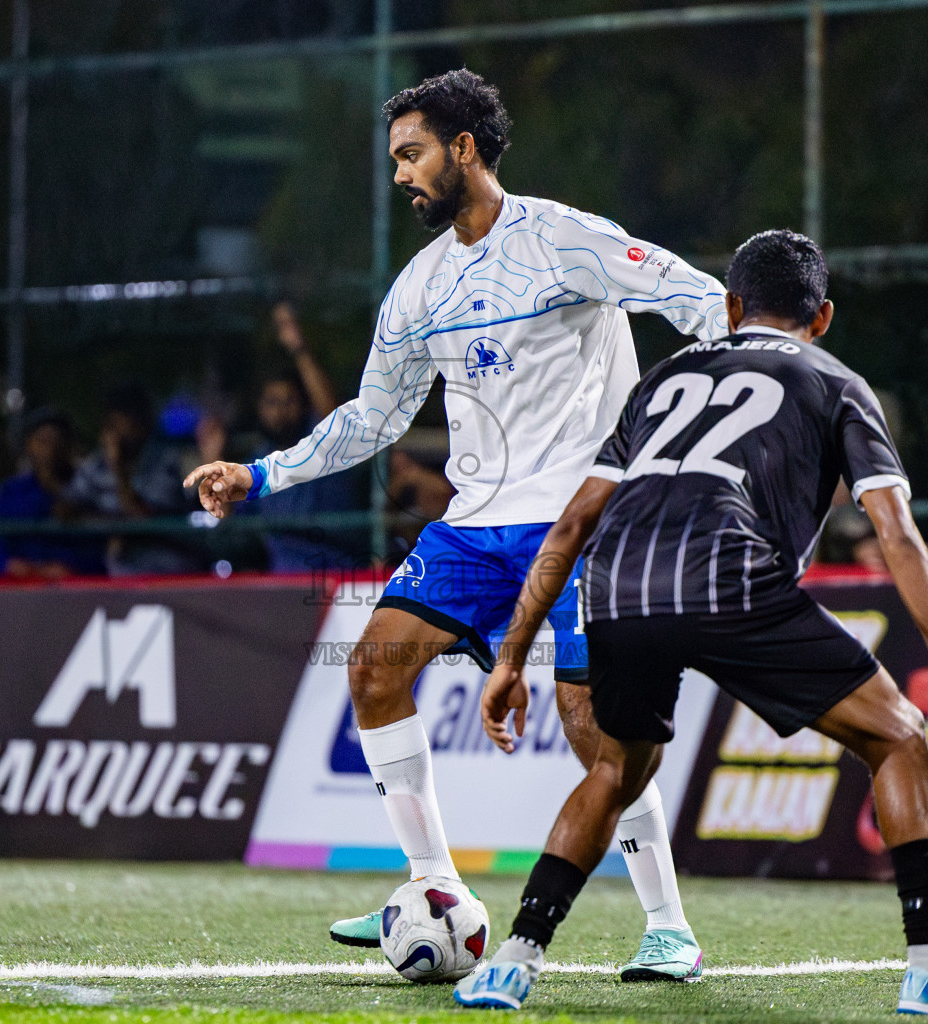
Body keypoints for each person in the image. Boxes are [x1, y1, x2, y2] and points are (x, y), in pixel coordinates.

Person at [189, 69, 730, 979]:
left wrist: (724, 412)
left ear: (464, 148)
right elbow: (373, 416)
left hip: (582, 518)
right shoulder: (419, 288)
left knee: (594, 725)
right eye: (397, 158)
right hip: (475, 529)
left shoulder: (565, 239)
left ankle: (668, 927)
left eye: (412, 155)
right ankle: (435, 885)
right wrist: (260, 472)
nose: (401, 175)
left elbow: (700, 301)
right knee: (373, 667)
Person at [454, 230, 928, 1014]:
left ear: (729, 308)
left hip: (618, 584)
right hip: (726, 575)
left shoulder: (663, 380)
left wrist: (512, 658)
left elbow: (570, 528)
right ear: (821, 317)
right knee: (897, 736)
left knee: (616, 770)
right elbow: (895, 534)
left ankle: (513, 962)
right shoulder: (837, 381)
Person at [238, 302, 363, 572]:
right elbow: (227, 525)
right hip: (281, 588)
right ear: (259, 407)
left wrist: (299, 348)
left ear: (305, 405)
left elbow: (335, 417)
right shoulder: (256, 463)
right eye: (271, 402)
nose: (280, 411)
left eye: (289, 401)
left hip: (337, 579)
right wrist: (211, 459)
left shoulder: (323, 447)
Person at [65, 384, 197, 576]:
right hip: (112, 567)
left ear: (143, 423)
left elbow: (139, 516)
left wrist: (118, 470)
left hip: (164, 565)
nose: (117, 431)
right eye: (112, 422)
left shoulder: (167, 462)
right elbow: (65, 510)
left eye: (125, 420)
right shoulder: (96, 465)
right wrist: (111, 528)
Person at [0, 407, 105, 579]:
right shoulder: (9, 491)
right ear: (27, 445)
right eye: (42, 440)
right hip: (17, 586)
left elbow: (97, 552)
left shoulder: (87, 485)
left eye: (56, 440)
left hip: (74, 588)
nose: (50, 448)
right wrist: (10, 565)